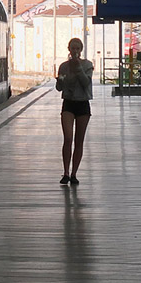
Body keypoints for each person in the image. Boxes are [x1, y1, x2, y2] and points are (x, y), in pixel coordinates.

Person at [56, 37, 94, 185]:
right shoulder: (64, 66)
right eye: (73, 48)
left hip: (83, 104)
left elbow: (86, 82)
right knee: (68, 138)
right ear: (69, 49)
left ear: (81, 50)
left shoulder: (88, 65)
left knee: (79, 141)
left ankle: (74, 174)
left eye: (78, 48)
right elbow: (59, 88)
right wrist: (60, 81)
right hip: (68, 103)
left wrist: (78, 68)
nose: (75, 51)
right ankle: (65, 172)